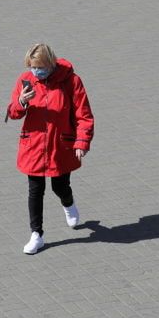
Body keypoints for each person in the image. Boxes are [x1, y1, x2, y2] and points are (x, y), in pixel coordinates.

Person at [6, 44, 94, 255]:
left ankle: (68, 202)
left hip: (60, 146)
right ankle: (37, 234)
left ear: (50, 63)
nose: (35, 71)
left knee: (59, 186)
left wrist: (81, 142)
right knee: (35, 190)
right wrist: (21, 103)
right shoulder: (25, 80)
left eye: (39, 67)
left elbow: (84, 116)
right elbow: (13, 113)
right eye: (32, 67)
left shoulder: (71, 81)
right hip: (34, 145)